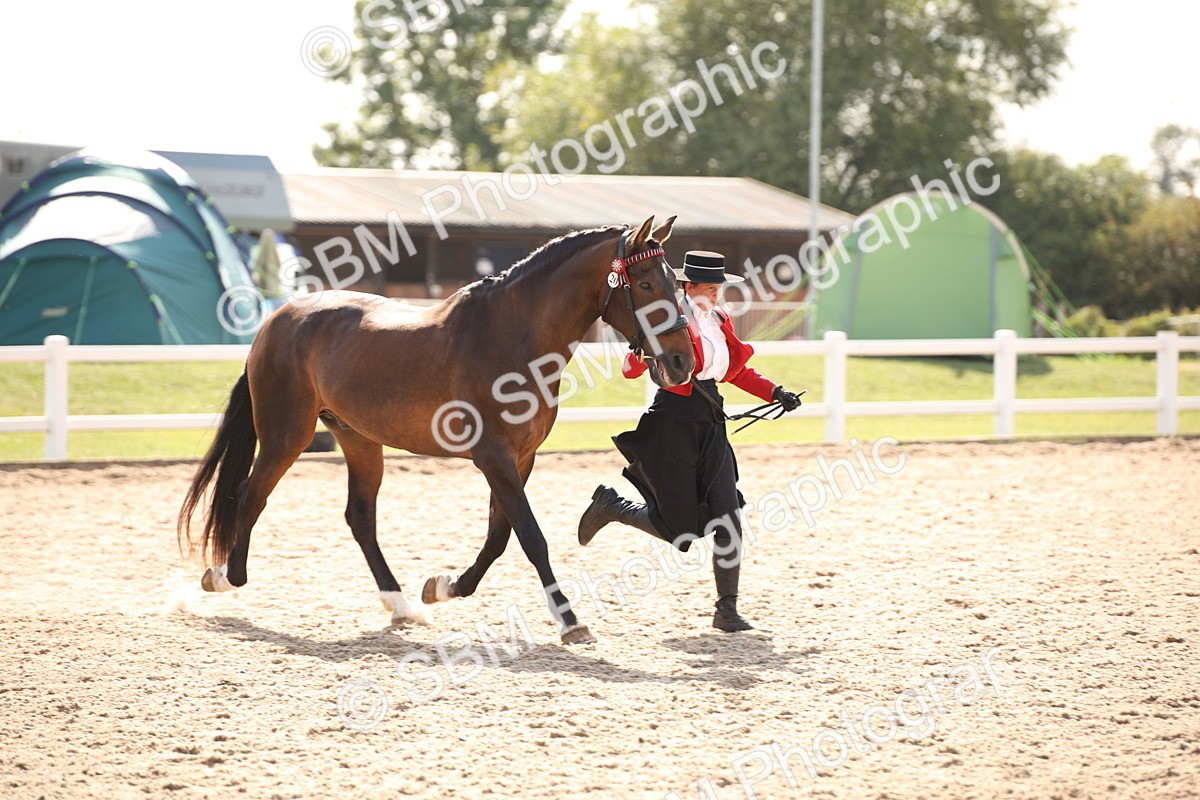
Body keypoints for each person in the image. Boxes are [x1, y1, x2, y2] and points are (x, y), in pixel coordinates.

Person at [577, 250, 803, 632]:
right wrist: (640, 350)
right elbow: (632, 370)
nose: (716, 295)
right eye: (711, 289)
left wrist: (775, 392)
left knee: (728, 517)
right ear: (688, 286)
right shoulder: (665, 320)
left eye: (719, 289)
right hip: (672, 423)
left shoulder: (718, 320)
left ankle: (726, 611)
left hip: (710, 422)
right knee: (679, 529)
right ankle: (613, 506)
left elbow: (735, 371)